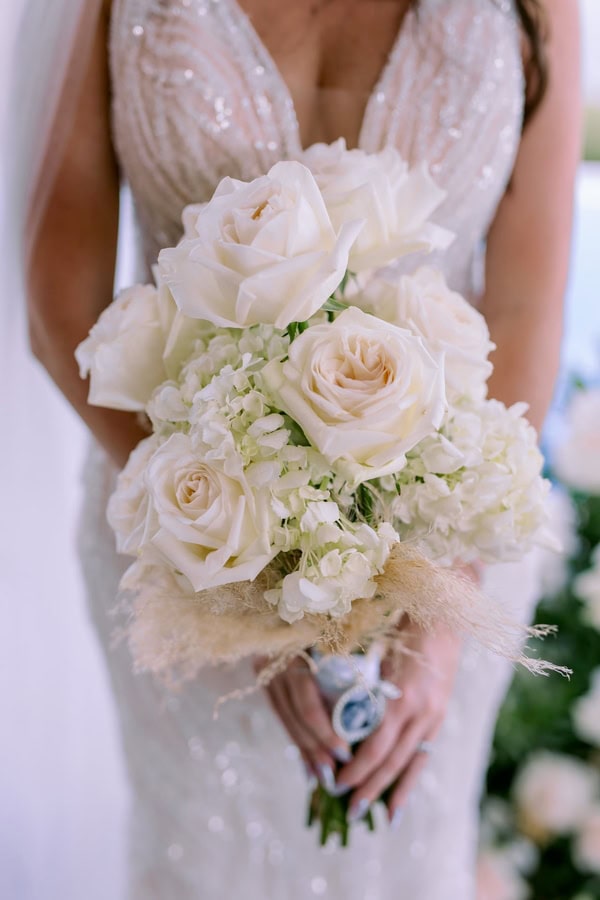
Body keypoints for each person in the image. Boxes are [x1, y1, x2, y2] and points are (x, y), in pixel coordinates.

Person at [21, 0, 580, 897]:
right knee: (205, 861)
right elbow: (61, 301)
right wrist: (238, 572)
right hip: (184, 534)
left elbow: (523, 304)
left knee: (406, 860)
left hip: (443, 540)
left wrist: (442, 595)